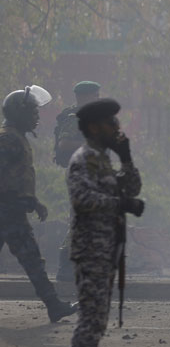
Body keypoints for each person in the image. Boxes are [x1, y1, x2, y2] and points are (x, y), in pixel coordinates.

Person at [62, 99, 144, 347]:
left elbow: (132, 187)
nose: (117, 128)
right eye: (111, 122)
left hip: (105, 250)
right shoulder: (83, 159)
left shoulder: (105, 161)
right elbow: (82, 198)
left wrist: (127, 158)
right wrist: (120, 205)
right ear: (94, 127)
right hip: (91, 250)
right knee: (90, 321)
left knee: (95, 322)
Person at [0, 85, 76, 322]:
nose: (36, 117)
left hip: (12, 210)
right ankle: (53, 305)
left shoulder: (15, 138)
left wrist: (32, 201)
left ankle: (53, 306)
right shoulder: (8, 139)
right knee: (32, 260)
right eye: (32, 112)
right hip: (7, 211)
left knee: (33, 260)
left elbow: (16, 177)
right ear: (19, 113)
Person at [53, 81, 102, 282]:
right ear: (83, 97)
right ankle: (65, 267)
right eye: (95, 96)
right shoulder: (75, 119)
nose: (98, 99)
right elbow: (64, 144)